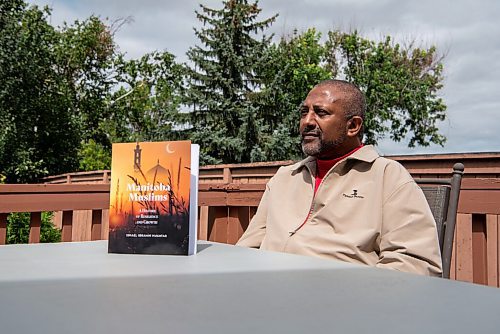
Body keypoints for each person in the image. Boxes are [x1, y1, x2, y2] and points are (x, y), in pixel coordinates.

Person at [236, 79, 442, 276]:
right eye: (304, 112)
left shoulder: (387, 177)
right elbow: (248, 247)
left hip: (340, 302)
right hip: (268, 293)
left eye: (321, 113)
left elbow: (415, 264)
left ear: (352, 126)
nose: (307, 121)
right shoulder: (284, 178)